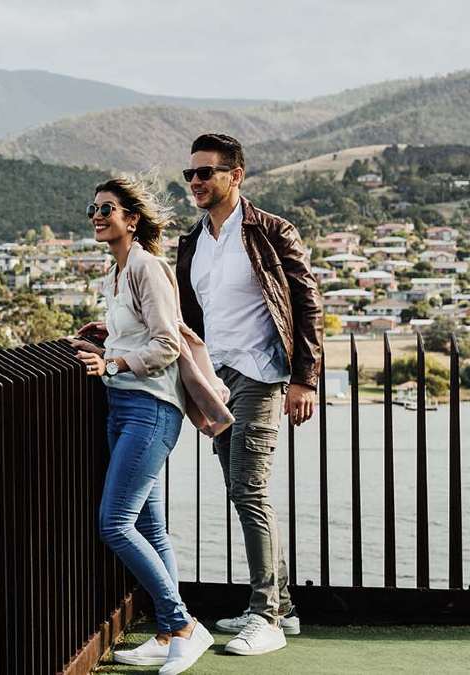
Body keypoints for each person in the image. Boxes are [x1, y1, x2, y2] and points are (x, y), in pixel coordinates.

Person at [176, 133, 323, 656]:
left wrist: (305, 378)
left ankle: (266, 617)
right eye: (190, 174)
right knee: (240, 489)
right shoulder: (192, 241)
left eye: (206, 173)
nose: (195, 182)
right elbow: (189, 318)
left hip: (261, 373)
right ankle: (282, 603)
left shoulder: (272, 231)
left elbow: (307, 304)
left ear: (235, 176)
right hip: (215, 380)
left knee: (248, 488)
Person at [73, 176, 213, 675]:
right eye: (93, 207)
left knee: (114, 523)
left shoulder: (147, 267)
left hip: (150, 410)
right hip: (123, 408)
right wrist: (107, 339)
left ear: (131, 219)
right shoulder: (117, 272)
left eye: (107, 208)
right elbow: (138, 335)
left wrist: (111, 364)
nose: (97, 214)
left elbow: (167, 345)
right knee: (149, 525)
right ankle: (165, 632)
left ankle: (183, 626)